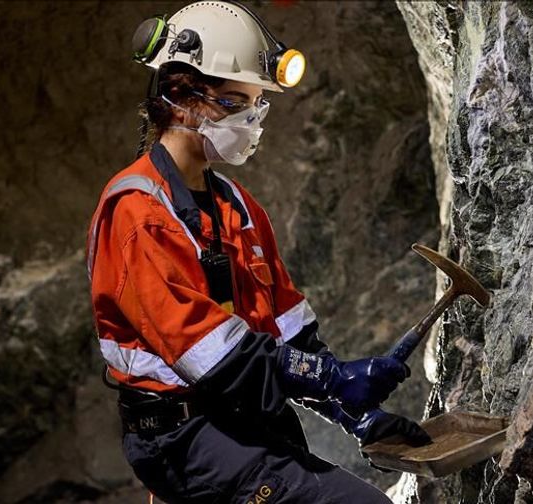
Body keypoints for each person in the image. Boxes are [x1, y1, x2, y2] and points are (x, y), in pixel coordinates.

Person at [86, 2, 430, 502]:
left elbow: (288, 332)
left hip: (245, 418)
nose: (251, 119)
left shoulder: (235, 207)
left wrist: (354, 412)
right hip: (185, 437)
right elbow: (213, 358)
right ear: (180, 94)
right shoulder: (138, 213)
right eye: (234, 103)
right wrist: (335, 380)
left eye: (256, 103)